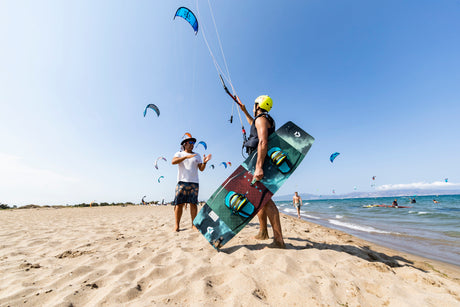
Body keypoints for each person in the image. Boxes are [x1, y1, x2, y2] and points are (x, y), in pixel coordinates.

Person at [239, 95, 285, 248]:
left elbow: (263, 141)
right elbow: (253, 124)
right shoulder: (262, 120)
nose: (252, 108)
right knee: (259, 199)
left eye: (253, 106)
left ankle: (279, 240)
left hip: (262, 164)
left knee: (265, 199)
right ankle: (263, 232)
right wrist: (244, 110)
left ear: (258, 105)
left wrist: (258, 167)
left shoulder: (261, 120)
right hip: (260, 162)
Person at [171, 135, 212, 232]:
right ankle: (177, 226)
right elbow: (173, 162)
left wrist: (205, 162)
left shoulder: (197, 155)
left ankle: (193, 225)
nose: (192, 145)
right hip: (182, 182)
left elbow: (201, 169)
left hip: (194, 183)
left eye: (193, 143)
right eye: (190, 143)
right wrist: (186, 157)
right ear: (184, 144)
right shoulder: (179, 153)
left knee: (193, 204)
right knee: (179, 204)